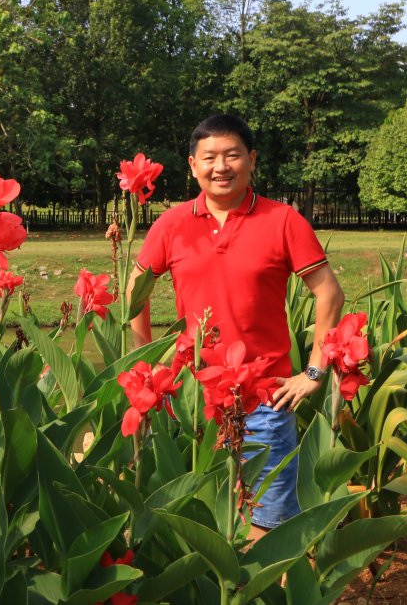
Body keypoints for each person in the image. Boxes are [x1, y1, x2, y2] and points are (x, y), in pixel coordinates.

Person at [127, 114, 343, 538]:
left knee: (270, 522)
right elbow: (137, 287)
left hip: (264, 398)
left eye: (232, 155)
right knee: (197, 518)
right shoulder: (172, 225)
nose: (221, 167)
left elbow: (329, 293)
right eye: (209, 157)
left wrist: (315, 371)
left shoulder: (283, 221)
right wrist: (146, 363)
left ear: (252, 160)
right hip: (192, 400)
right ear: (193, 165)